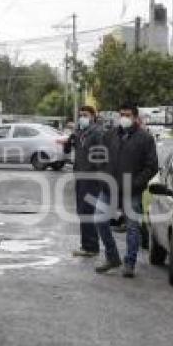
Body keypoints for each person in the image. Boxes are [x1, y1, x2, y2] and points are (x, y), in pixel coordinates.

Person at [94, 102, 158, 278]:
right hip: (109, 188)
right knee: (99, 219)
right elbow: (100, 157)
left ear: (136, 117)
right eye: (121, 114)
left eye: (128, 114)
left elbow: (151, 166)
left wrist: (136, 184)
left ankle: (130, 263)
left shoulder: (145, 138)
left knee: (132, 228)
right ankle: (112, 257)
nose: (124, 117)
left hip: (133, 191)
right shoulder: (110, 135)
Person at [71, 106, 107, 258]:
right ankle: (86, 244)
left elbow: (100, 155)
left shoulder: (97, 132)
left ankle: (91, 246)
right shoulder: (81, 132)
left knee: (87, 211)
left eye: (85, 115)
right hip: (81, 175)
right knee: (82, 210)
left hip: (91, 177)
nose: (82, 118)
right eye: (80, 115)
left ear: (93, 116)